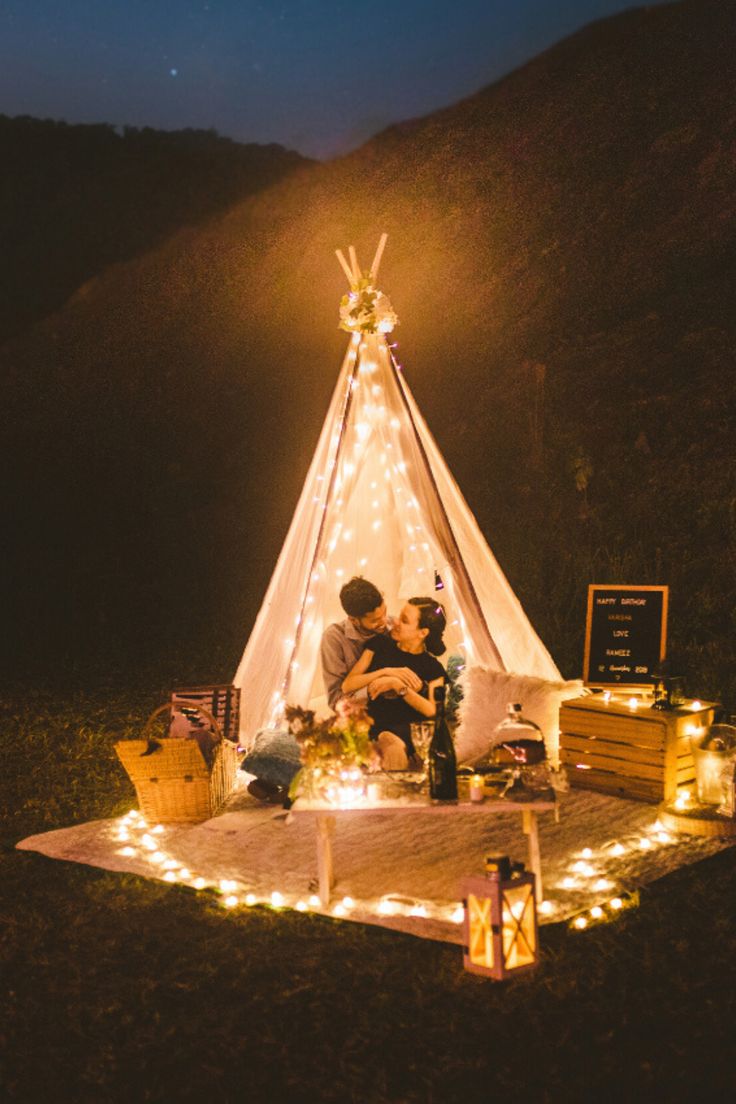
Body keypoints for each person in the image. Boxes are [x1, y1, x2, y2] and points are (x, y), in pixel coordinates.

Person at [342, 597, 447, 770]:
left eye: (404, 621)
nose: (396, 622)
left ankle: (397, 792)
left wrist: (399, 687)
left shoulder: (433, 667)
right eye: (399, 616)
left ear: (423, 633)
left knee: (391, 743)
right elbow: (348, 684)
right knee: (380, 741)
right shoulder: (380, 645)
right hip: (375, 722)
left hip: (409, 728)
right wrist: (385, 673)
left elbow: (433, 710)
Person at [320, 576, 421, 710]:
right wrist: (378, 684)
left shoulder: (392, 626)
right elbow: (336, 702)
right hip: (362, 717)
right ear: (354, 620)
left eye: (385, 612)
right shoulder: (334, 638)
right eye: (375, 620)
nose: (384, 622)